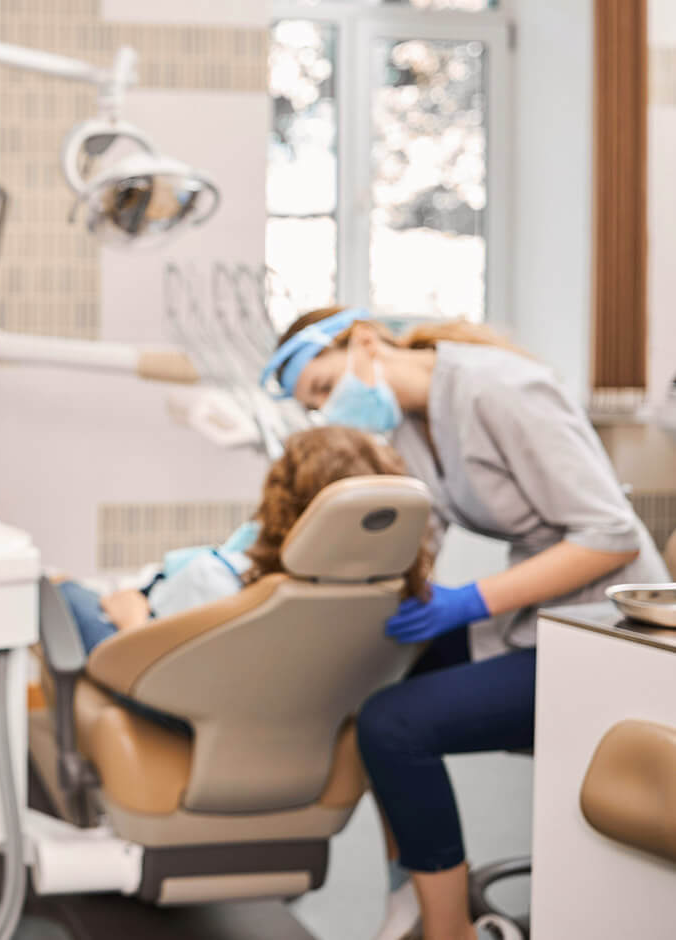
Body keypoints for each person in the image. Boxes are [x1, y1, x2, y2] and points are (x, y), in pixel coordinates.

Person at [263, 307, 669, 940]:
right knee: (370, 684)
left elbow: (611, 535)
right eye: (313, 407)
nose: (327, 409)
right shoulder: (412, 425)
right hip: (533, 618)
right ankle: (416, 888)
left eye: (323, 387)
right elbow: (420, 536)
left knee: (393, 725)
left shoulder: (496, 389)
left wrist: (469, 602)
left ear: (364, 340)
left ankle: (445, 929)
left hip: (600, 630)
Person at [58, 425, 432, 652]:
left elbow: (147, 671)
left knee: (62, 591)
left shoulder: (216, 582)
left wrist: (132, 621)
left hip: (167, 689)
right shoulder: (393, 593)